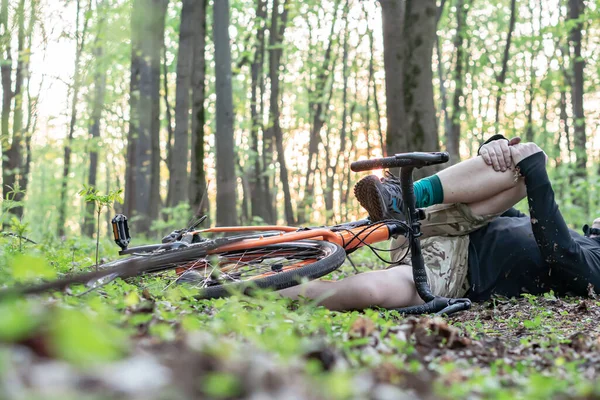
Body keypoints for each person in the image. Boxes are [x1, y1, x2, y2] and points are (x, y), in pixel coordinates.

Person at [280, 137, 600, 311]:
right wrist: (496, 148)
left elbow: (560, 252)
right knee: (519, 170)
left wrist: (536, 168)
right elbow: (502, 206)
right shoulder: (579, 236)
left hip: (450, 271)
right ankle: (404, 197)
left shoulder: (596, 268)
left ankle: (272, 291)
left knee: (369, 290)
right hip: (449, 223)